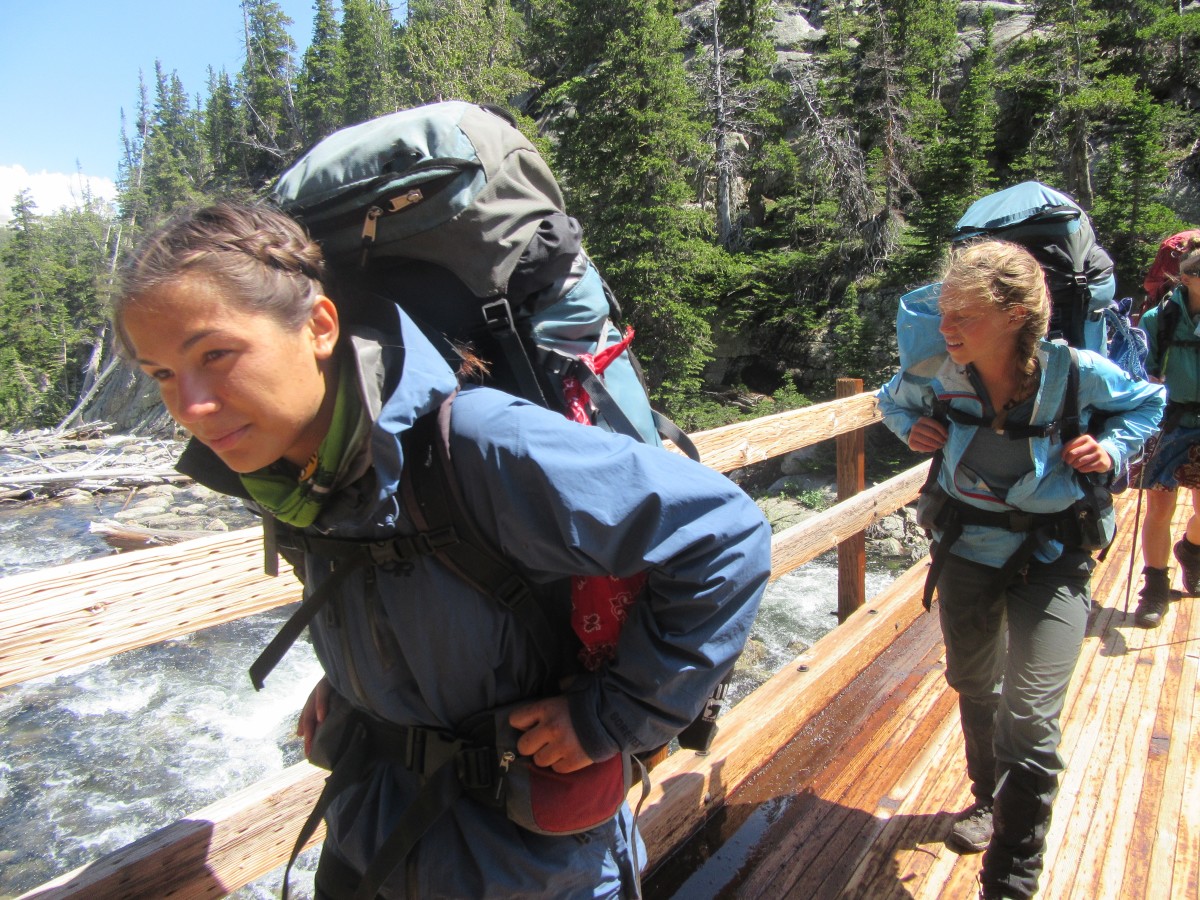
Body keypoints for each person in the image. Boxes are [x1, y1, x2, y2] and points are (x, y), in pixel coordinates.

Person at [112, 202, 772, 899]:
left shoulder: (480, 446)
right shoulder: (293, 472)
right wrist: (359, 679)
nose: (190, 405)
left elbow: (725, 533)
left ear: (319, 327)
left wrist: (612, 717)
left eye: (215, 355)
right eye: (160, 374)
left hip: (528, 868)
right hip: (369, 835)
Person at [877, 240, 1164, 900]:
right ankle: (985, 800)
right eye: (943, 313)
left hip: (1052, 556)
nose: (945, 328)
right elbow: (891, 403)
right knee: (975, 685)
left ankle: (1009, 880)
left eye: (962, 316)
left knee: (1031, 717)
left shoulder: (1075, 371)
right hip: (967, 552)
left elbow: (1146, 402)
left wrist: (1112, 447)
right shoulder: (937, 371)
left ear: (1013, 315)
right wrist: (912, 430)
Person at [1131, 240, 1200, 628]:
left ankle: (1191, 550)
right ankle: (1154, 587)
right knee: (1161, 508)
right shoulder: (1162, 319)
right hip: (1170, 423)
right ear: (1188, 278)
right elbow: (1144, 370)